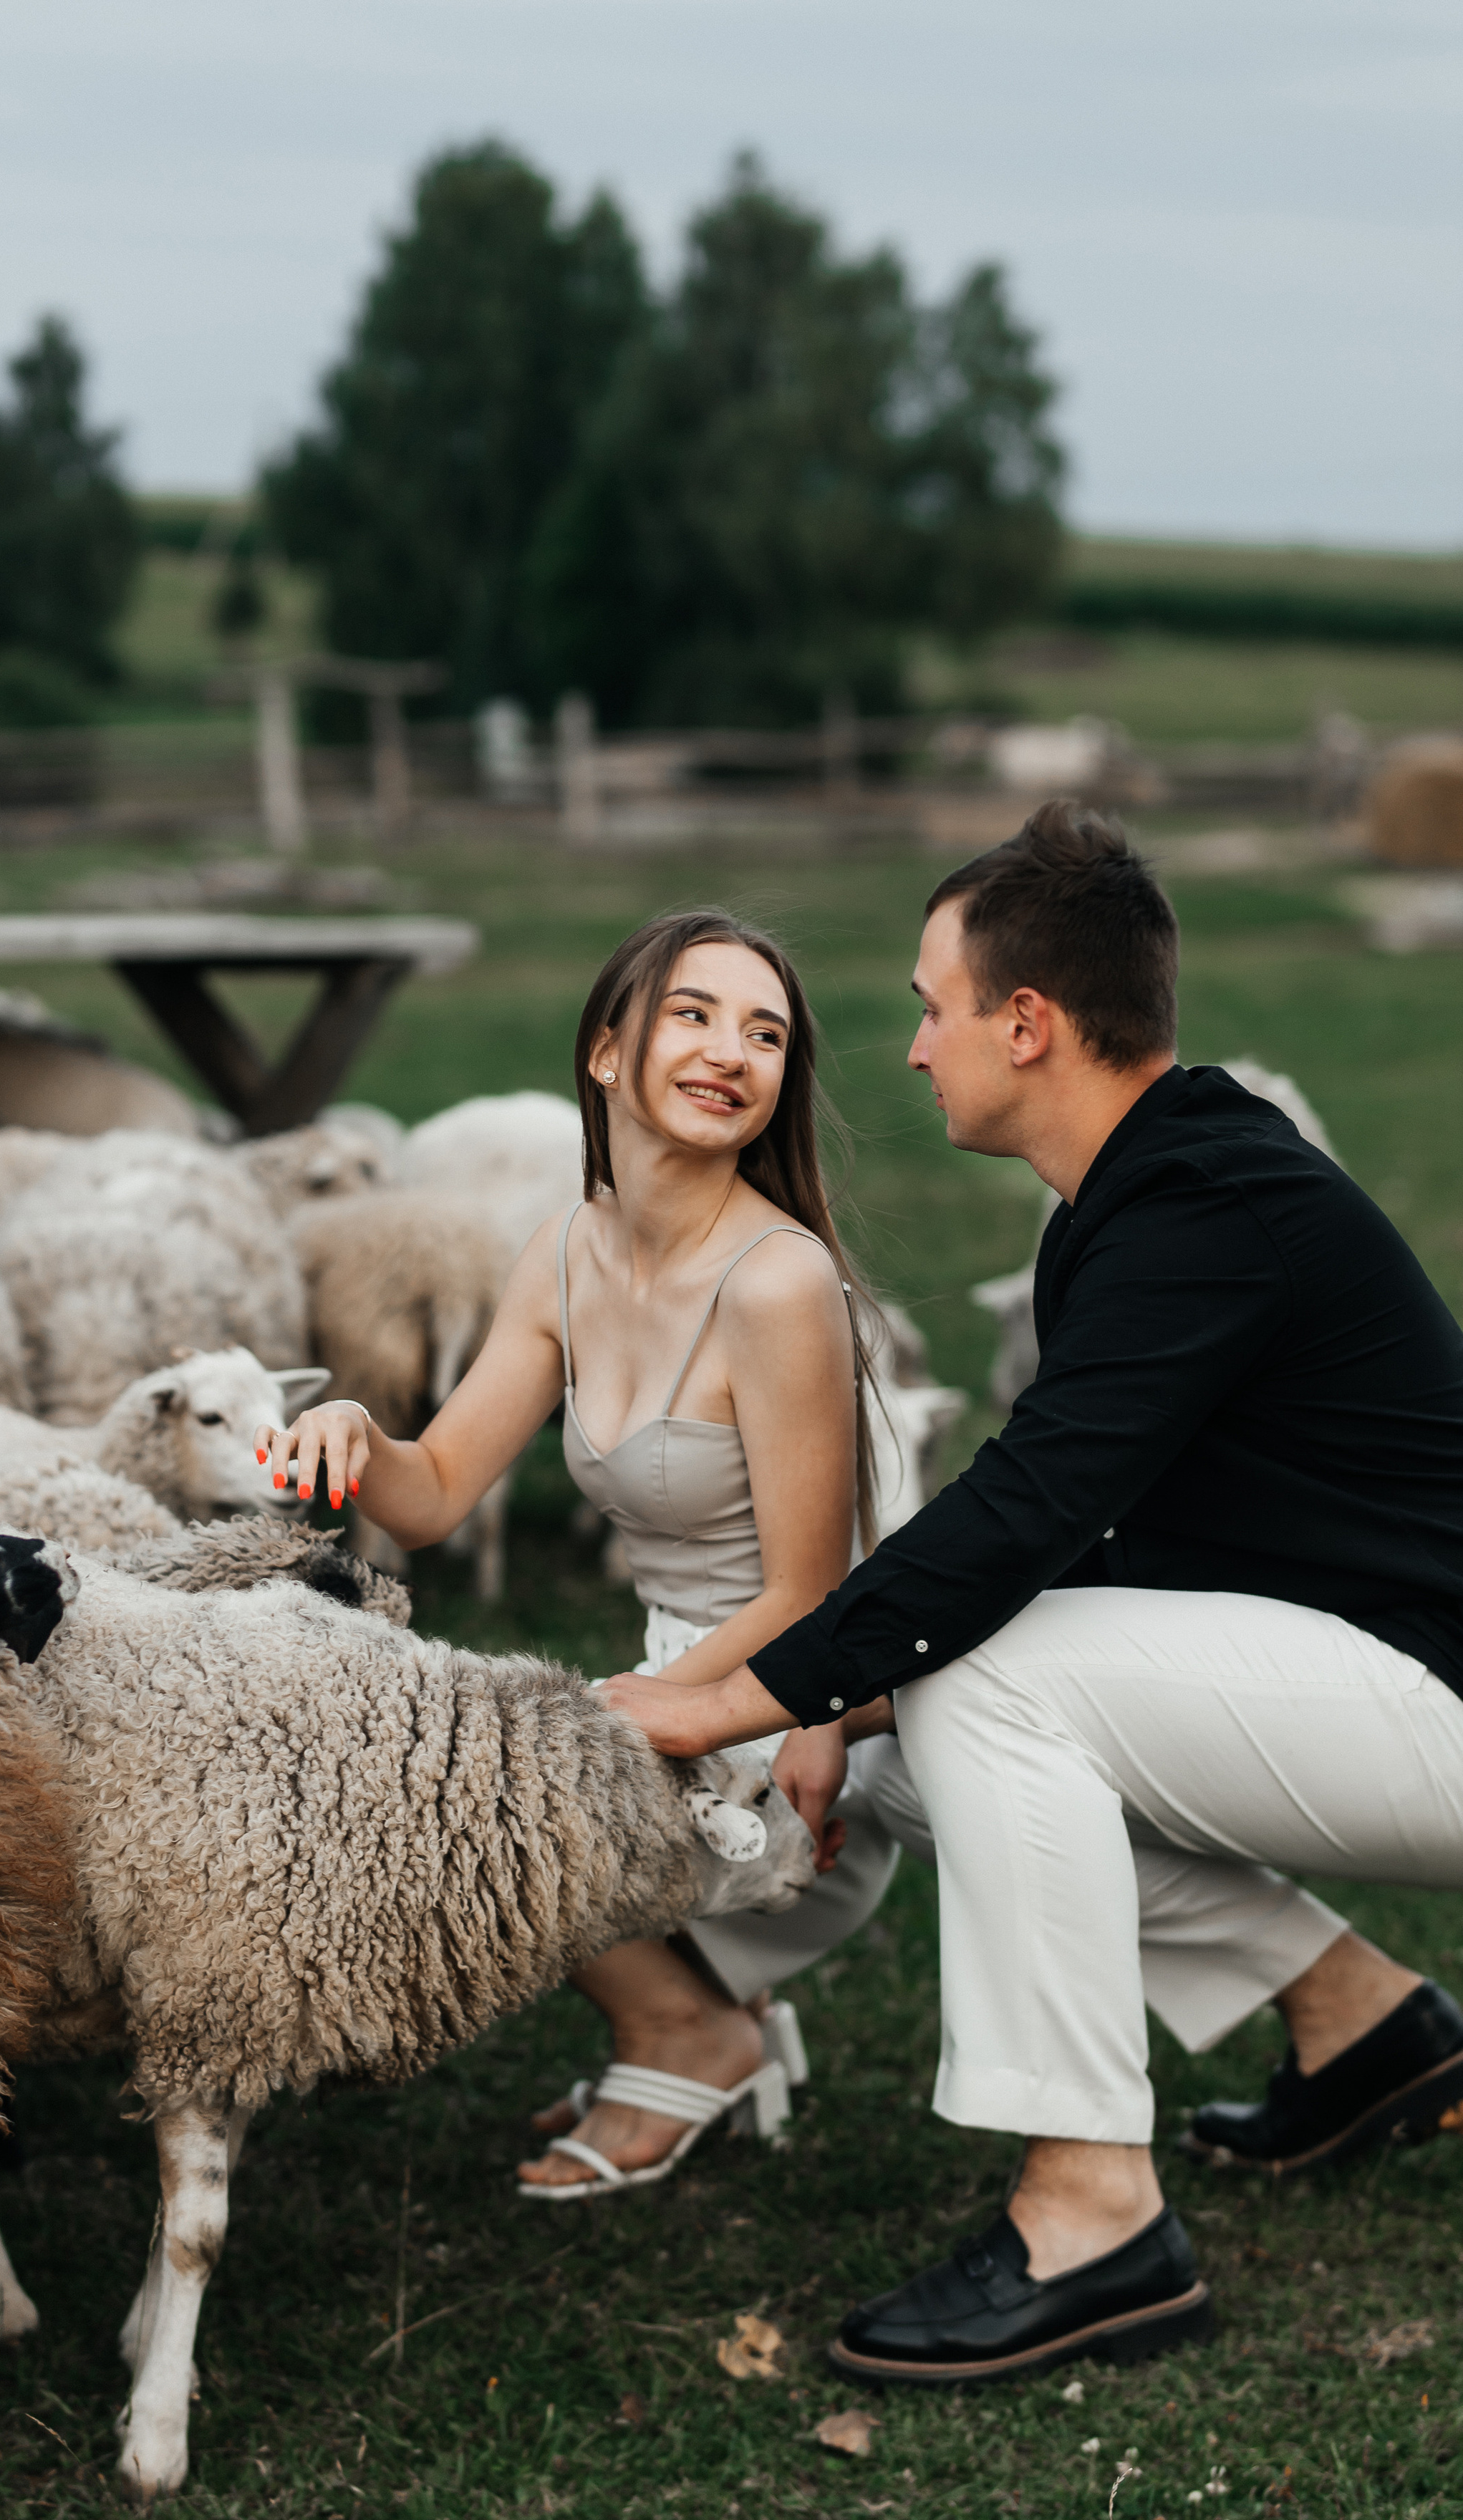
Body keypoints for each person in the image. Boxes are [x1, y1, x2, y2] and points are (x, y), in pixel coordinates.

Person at [602, 801, 1463, 2385]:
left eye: (930, 1009)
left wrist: (722, 1697)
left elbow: (1017, 1526)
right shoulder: (1129, 1206)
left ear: (1026, 1021)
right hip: (1370, 1672)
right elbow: (1083, 1537)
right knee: (910, 1747)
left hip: (1434, 1693)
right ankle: (1355, 2019)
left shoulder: (1205, 1210)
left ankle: (1090, 2211)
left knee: (983, 1680)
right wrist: (834, 1701)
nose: (914, 1050)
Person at [256, 908, 917, 2196]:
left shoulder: (777, 1283)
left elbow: (808, 1593)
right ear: (609, 1054)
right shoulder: (566, 1250)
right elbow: (437, 1489)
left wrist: (620, 1720)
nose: (733, 1049)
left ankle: (690, 2031)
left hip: (793, 1701)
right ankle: (709, 2017)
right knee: (484, 1742)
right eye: (694, 1014)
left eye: (766, 1032)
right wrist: (348, 1424)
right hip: (679, 1677)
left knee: (497, 1772)